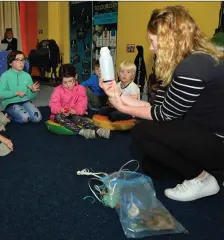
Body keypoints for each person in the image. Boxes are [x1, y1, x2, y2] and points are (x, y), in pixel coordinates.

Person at [100, 5, 224, 202]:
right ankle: (209, 171)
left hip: (217, 142)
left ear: (169, 40)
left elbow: (163, 114)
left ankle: (201, 179)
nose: (150, 47)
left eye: (152, 41)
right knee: (152, 166)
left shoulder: (193, 67)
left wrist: (122, 107)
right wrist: (118, 95)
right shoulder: (187, 62)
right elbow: (155, 105)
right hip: (200, 132)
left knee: (143, 131)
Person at [49, 64, 110, 139]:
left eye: (70, 81)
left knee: (78, 118)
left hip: (75, 114)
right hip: (61, 115)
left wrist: (76, 110)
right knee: (59, 116)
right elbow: (53, 105)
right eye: (65, 82)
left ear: (76, 77)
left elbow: (82, 104)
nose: (68, 85)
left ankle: (98, 129)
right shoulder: (58, 90)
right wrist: (61, 110)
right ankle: (81, 131)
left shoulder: (81, 89)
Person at [0, 50, 42, 124]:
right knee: (25, 118)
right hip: (10, 103)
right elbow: (0, 93)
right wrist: (16, 93)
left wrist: (32, 91)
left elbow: (31, 97)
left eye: (22, 60)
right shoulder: (5, 75)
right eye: (17, 60)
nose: (21, 62)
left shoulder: (27, 76)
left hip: (25, 101)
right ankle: (10, 116)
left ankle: (20, 112)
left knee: (37, 118)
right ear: (10, 63)